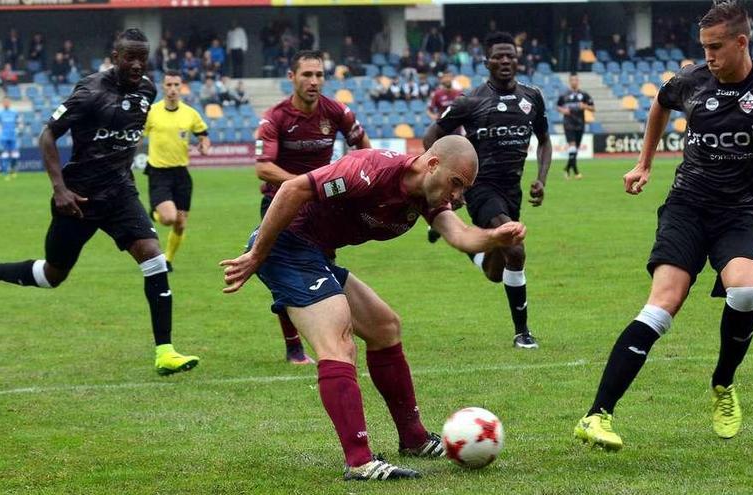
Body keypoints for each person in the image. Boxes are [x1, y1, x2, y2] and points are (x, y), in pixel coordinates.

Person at [572, 0, 753, 450]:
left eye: (716, 46)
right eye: (704, 47)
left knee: (745, 292)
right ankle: (596, 416)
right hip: (687, 206)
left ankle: (723, 383)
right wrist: (644, 163)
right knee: (661, 305)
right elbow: (659, 103)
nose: (708, 55)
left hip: (744, 213)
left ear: (741, 42)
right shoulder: (693, 80)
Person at [221, 135, 526, 480]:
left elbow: (459, 236)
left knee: (384, 327)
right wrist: (258, 254)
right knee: (337, 343)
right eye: (456, 184)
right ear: (433, 164)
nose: (458, 197)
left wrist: (495, 237)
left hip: (314, 255)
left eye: (464, 190)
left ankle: (413, 438)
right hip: (285, 249)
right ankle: (360, 461)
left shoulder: (427, 195)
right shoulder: (369, 171)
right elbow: (292, 189)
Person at [0, 29, 201, 375]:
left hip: (121, 195)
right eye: (130, 57)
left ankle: (165, 351)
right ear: (115, 55)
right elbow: (47, 134)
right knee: (52, 275)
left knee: (154, 258)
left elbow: (127, 139)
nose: (137, 64)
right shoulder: (90, 91)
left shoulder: (147, 91)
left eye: (143, 57)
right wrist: (60, 189)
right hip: (78, 199)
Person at [423, 31, 552, 349]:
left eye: (510, 55)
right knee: (517, 250)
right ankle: (523, 333)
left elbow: (545, 140)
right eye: (498, 56)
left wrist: (542, 179)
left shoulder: (532, 97)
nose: (505, 60)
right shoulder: (471, 101)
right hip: (481, 189)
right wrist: (447, 180)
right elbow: (431, 138)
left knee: (496, 271)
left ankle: (468, 245)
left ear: (518, 59)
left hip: (512, 192)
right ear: (486, 61)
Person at [254, 50, 371, 364]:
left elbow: (363, 147)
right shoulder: (275, 117)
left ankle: (332, 333)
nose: (314, 81)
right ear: (291, 77)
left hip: (322, 208)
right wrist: (303, 186)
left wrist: (353, 177)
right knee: (283, 272)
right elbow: (263, 167)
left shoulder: (336, 111)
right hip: (280, 204)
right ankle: (293, 345)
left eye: (319, 75)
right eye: (307, 74)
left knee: (324, 266)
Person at [143, 70, 210, 272]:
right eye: (169, 85)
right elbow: (137, 135)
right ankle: (154, 213)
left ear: (182, 87)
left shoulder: (190, 113)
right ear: (163, 87)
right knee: (168, 218)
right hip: (158, 172)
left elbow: (203, 135)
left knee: (180, 223)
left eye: (176, 85)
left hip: (181, 174)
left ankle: (168, 260)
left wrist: (204, 145)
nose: (172, 89)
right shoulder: (152, 112)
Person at [556, 73, 594, 180]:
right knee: (572, 147)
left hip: (580, 124)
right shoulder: (564, 95)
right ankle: (576, 172)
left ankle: (567, 169)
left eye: (576, 80)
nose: (574, 82)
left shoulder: (584, 95)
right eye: (572, 80)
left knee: (575, 150)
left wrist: (585, 106)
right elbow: (558, 106)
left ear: (578, 81)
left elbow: (593, 108)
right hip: (568, 124)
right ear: (569, 81)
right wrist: (563, 110)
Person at [0, 97, 19, 180]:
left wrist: (18, 130)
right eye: (4, 102)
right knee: (5, 155)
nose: (6, 103)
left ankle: (13, 170)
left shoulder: (14, 112)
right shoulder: (0, 113)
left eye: (7, 102)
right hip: (3, 137)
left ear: (9, 103)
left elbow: (19, 122)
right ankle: (6, 173)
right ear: (2, 103)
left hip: (13, 136)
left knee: (14, 155)